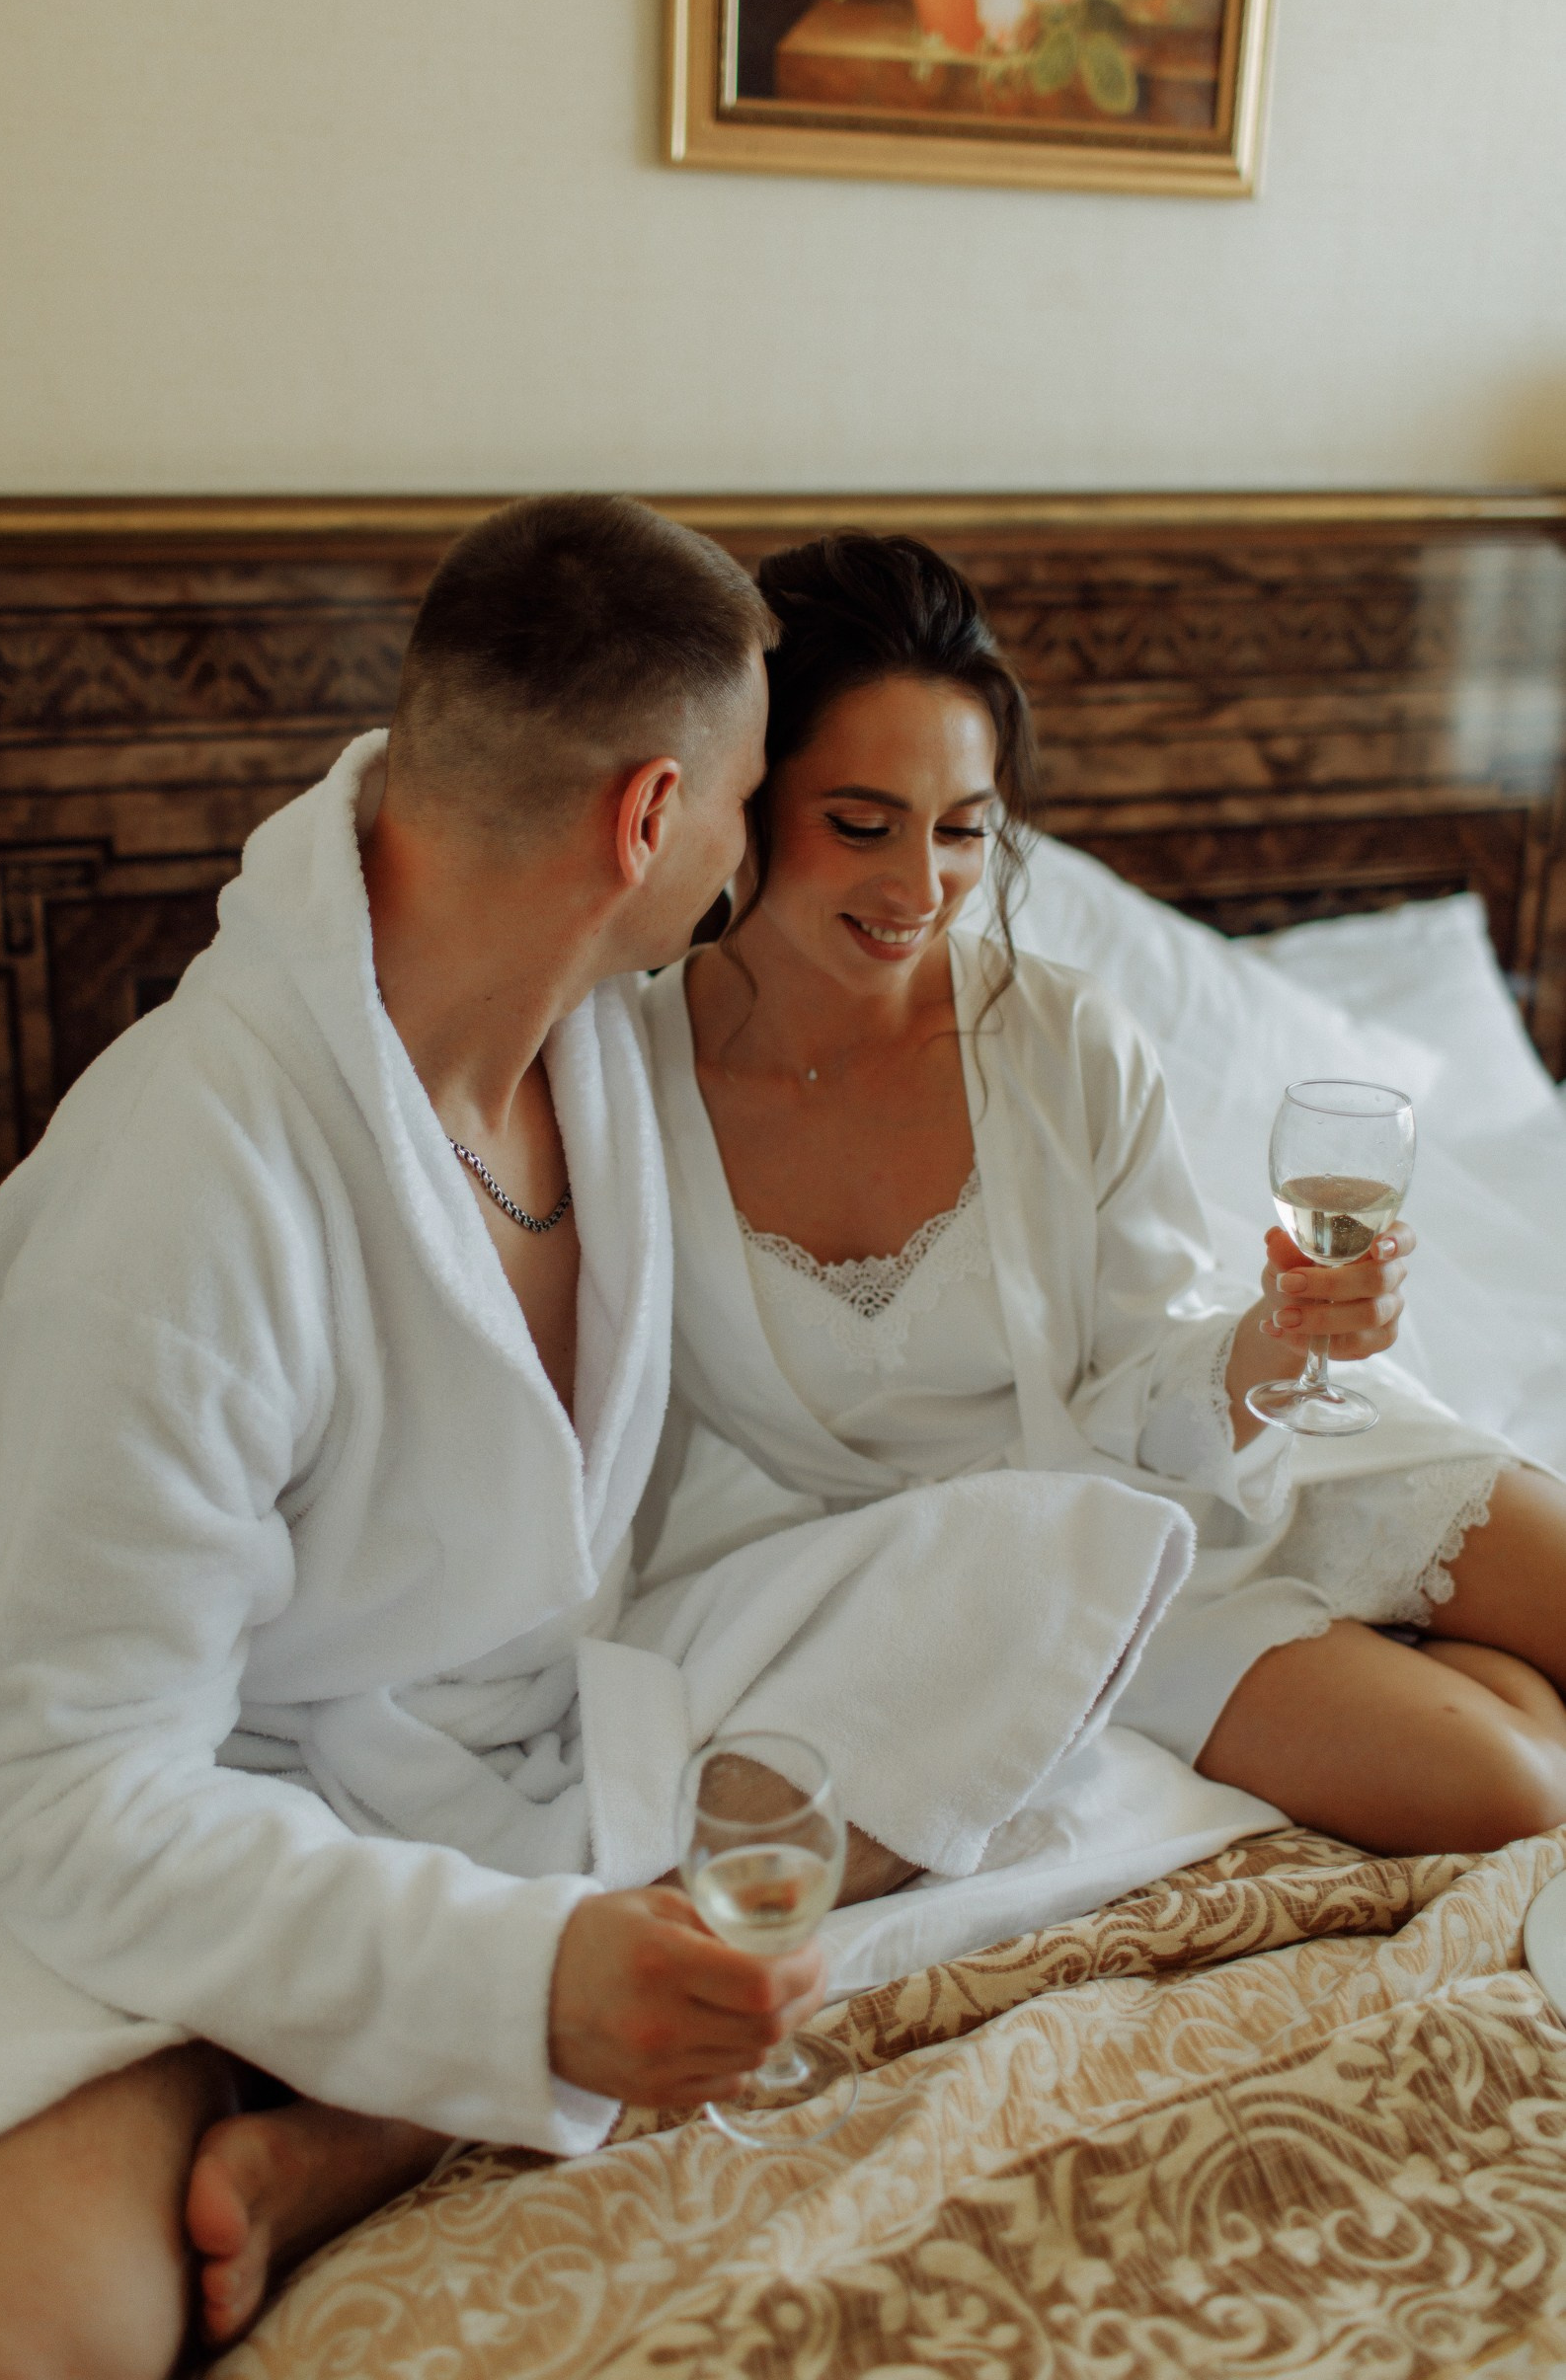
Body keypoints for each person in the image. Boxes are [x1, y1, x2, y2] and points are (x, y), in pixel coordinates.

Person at [0, 497, 1196, 2378]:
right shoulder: (182, 1187)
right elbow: (68, 1789)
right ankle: (407, 2054)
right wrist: (517, 1978)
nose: (755, 853)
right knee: (10, 2319)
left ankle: (387, 2115)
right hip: (222, 1818)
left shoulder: (591, 1045)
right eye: (754, 801)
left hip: (541, 1743)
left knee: (1031, 1558)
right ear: (651, 819)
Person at [642, 528, 1566, 1867]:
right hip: (1054, 1565)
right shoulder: (627, 1087)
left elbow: (1153, 1352)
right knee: (1514, 1788)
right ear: (746, 795)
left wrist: (1283, 1336)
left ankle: (1421, 1627)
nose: (919, 888)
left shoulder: (1063, 1040)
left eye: (964, 830)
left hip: (1236, 1436)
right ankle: (1442, 1662)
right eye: (862, 825)